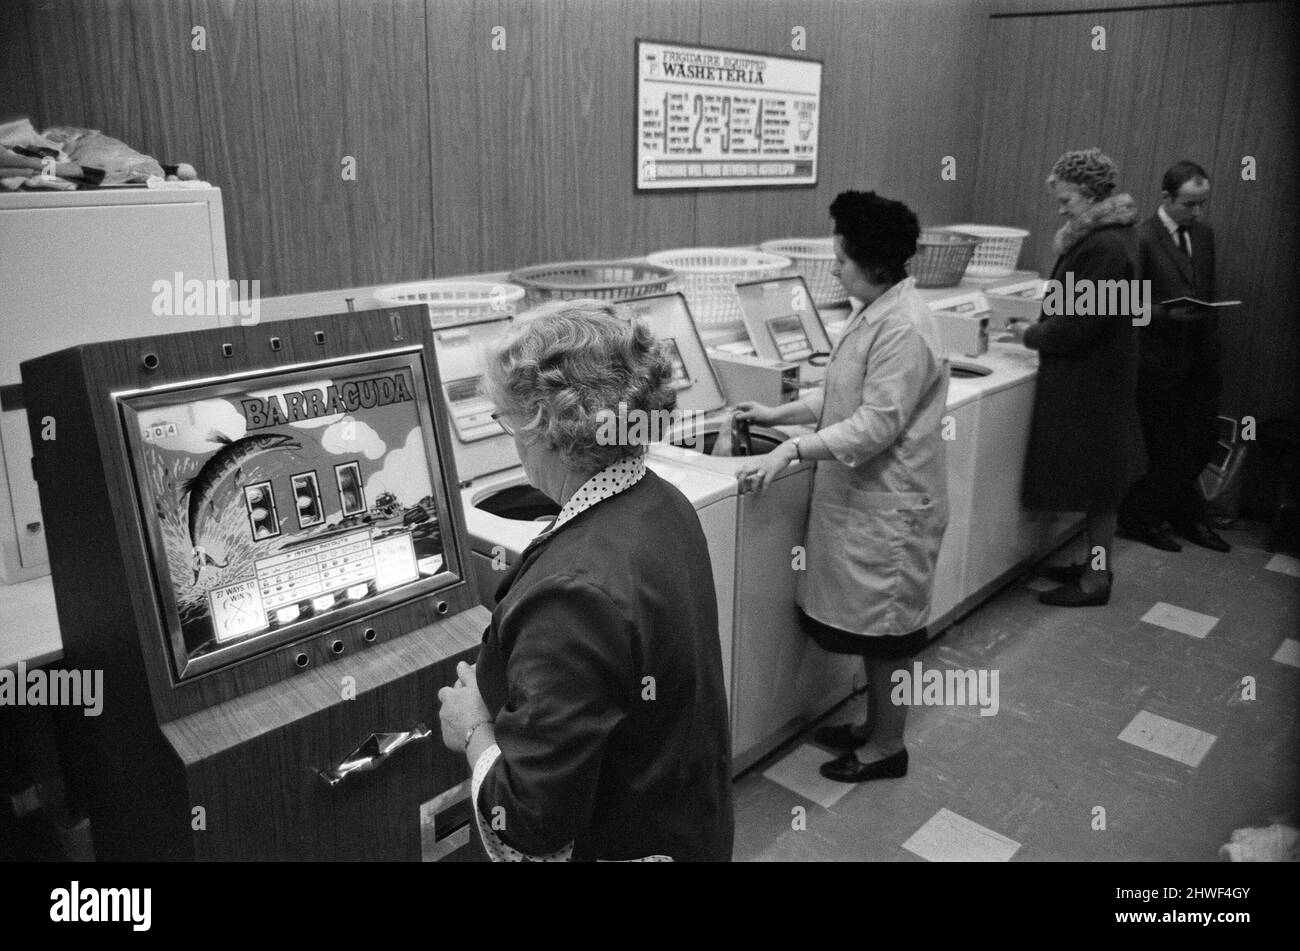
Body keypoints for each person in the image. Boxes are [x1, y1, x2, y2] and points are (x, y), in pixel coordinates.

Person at [436, 300, 733, 861]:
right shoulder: (666, 503)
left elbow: (529, 821)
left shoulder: (572, 595)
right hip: (687, 825)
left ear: (542, 427)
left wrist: (472, 728)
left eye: (506, 421)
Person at [734, 190, 949, 784]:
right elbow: (842, 395)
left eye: (841, 260)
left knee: (890, 636)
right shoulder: (878, 307)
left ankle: (888, 748)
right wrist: (778, 416)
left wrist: (793, 448)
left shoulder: (903, 326)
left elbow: (876, 423)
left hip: (893, 505)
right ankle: (874, 729)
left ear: (873, 264)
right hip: (867, 499)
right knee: (876, 630)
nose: (833, 269)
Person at [1017, 147, 1142, 606]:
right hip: (1104, 376)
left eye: (1066, 200)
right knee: (1099, 483)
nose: (1061, 208)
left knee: (1098, 486)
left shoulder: (1104, 245)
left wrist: (1030, 334)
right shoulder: (1116, 237)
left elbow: (1077, 325)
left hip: (1092, 383)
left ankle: (1095, 581)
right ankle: (1095, 565)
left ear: (1090, 196)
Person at [1118, 160, 1230, 553]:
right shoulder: (1142, 238)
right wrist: (1166, 312)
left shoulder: (1204, 234)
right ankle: (1185, 518)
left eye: (1203, 204)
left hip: (1199, 356)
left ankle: (1139, 512)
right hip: (1157, 360)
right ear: (1165, 198)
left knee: (1201, 441)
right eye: (1189, 204)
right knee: (1168, 447)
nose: (1197, 212)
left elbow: (1208, 289)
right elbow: (1123, 304)